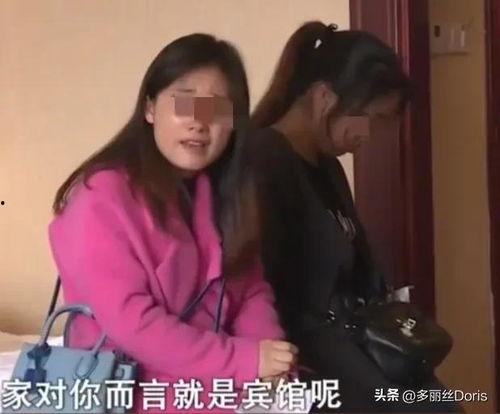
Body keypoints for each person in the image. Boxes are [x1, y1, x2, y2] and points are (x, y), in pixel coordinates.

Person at [48, 33, 297, 413]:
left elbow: (250, 291)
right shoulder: (101, 197)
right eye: (184, 102)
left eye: (216, 109)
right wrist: (245, 360)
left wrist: (271, 360)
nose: (199, 122)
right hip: (128, 388)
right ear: (150, 108)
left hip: (210, 382)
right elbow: (133, 324)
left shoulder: (223, 195)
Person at [248, 21, 462, 412]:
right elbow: (260, 291)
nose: (369, 135)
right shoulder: (266, 161)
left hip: (355, 341)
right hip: (309, 360)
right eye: (371, 119)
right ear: (324, 98)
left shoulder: (327, 166)